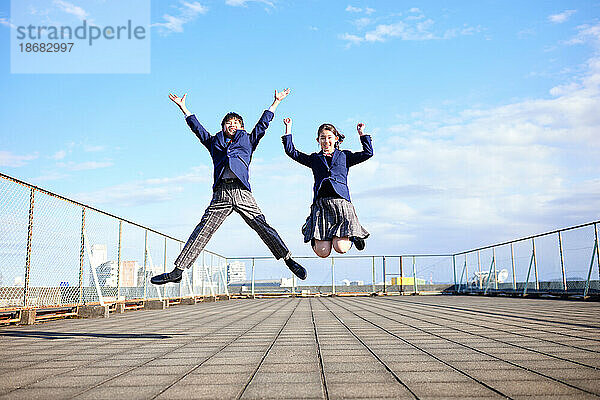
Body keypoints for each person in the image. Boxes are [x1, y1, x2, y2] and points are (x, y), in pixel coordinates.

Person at [151, 89, 307, 285]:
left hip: (242, 192)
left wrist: (275, 102)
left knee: (262, 226)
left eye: (236, 123)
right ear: (223, 126)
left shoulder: (249, 140)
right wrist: (184, 108)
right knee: (203, 229)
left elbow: (263, 124)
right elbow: (197, 128)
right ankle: (178, 271)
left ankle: (288, 259)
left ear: (242, 127)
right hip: (221, 194)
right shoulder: (214, 143)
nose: (232, 125)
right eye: (228, 123)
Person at [281, 119, 373, 258]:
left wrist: (362, 134)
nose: (326, 141)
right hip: (321, 205)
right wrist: (288, 129)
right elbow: (291, 152)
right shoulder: (314, 159)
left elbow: (368, 153)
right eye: (322, 138)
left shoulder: (344, 156)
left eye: (329, 137)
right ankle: (312, 231)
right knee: (323, 252)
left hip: (341, 203)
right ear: (318, 140)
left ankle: (354, 237)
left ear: (335, 139)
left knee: (341, 248)